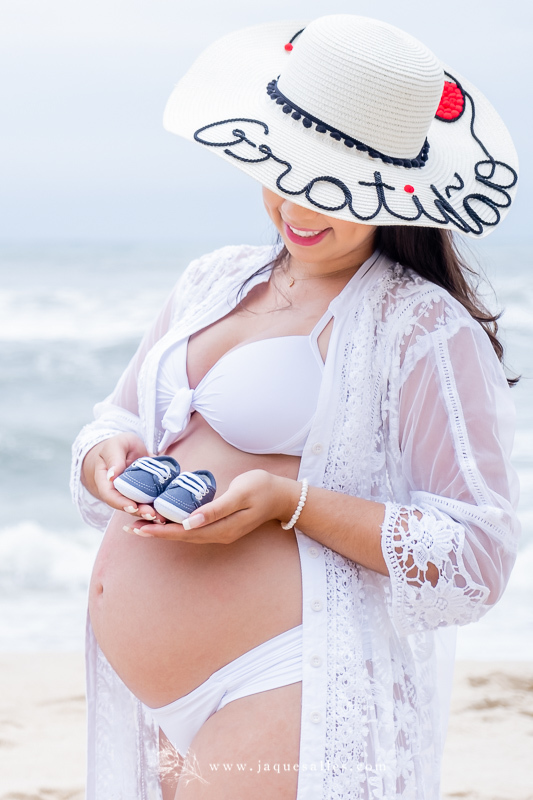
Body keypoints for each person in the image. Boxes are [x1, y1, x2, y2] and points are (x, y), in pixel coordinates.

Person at [71, 15, 521, 800]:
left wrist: (292, 503)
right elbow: (117, 419)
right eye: (288, 169)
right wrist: (104, 459)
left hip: (286, 676)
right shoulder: (214, 278)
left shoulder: (418, 326)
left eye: (336, 187)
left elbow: (476, 556)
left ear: (395, 191)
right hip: (154, 701)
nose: (298, 205)